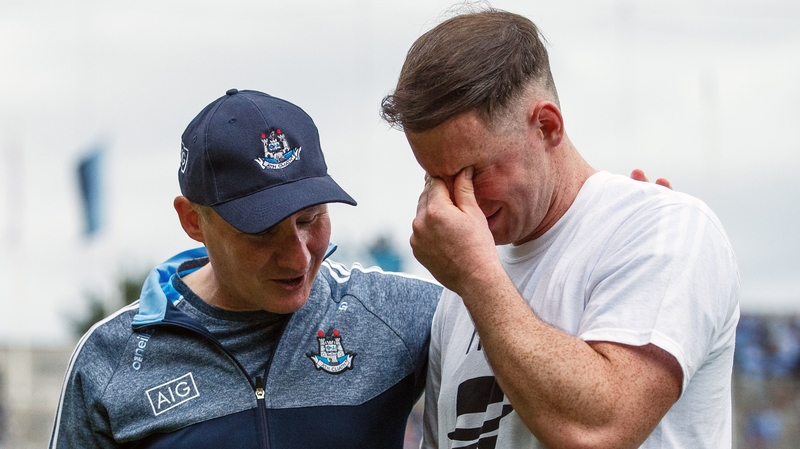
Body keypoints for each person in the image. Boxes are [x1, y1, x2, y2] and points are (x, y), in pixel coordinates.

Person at [381, 9, 740, 449]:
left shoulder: (667, 230)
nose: (454, 202)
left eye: (471, 173)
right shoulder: (459, 291)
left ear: (546, 126)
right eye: (434, 179)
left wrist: (477, 276)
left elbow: (600, 431)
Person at [49, 89, 442, 448]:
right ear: (192, 221)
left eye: (309, 220)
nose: (299, 258)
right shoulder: (108, 358)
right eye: (263, 232)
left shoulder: (403, 313)